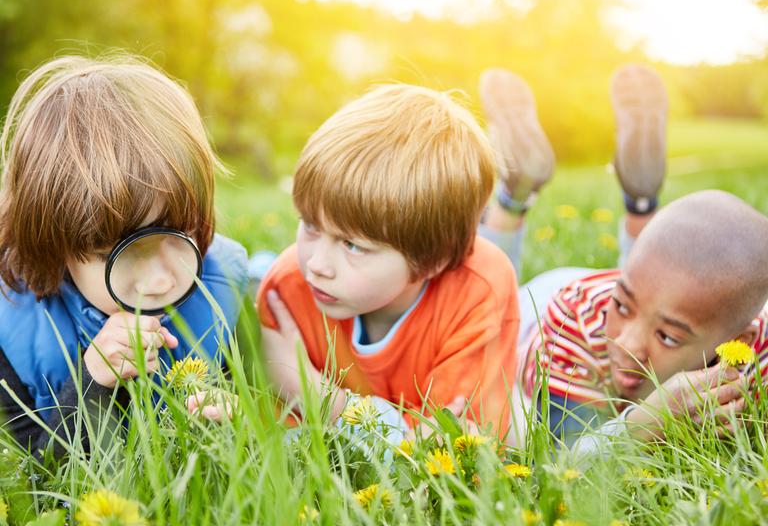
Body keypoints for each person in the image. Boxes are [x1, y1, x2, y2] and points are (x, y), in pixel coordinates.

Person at [477, 65, 768, 447]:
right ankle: (514, 192)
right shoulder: (572, 330)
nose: (626, 344)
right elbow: (569, 460)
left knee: (660, 291)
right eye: (623, 308)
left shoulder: (751, 358)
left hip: (650, 285)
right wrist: (646, 424)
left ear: (740, 339)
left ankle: (641, 200)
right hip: (551, 304)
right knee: (486, 301)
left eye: (667, 337)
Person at [0, 55, 249, 454]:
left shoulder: (226, 292)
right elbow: (36, 473)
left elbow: (268, 407)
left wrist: (240, 423)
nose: (160, 281)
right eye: (113, 253)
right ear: (53, 248)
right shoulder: (15, 330)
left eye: (177, 232)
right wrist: (92, 380)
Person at [255, 84, 519, 435]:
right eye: (311, 226)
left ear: (432, 260)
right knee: (255, 275)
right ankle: (253, 269)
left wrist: (312, 393)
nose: (317, 264)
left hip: (525, 338)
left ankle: (516, 197)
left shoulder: (479, 290)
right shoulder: (287, 288)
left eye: (352, 245)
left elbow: (447, 448)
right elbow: (283, 442)